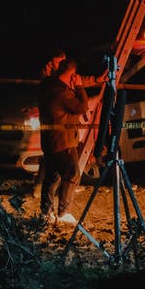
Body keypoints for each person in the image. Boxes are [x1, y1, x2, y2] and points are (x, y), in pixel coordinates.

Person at [37, 56, 92, 225]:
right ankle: (63, 212)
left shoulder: (47, 85)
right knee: (72, 173)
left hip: (49, 139)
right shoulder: (62, 92)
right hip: (63, 140)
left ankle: (46, 212)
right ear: (71, 74)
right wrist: (80, 87)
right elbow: (82, 107)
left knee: (53, 176)